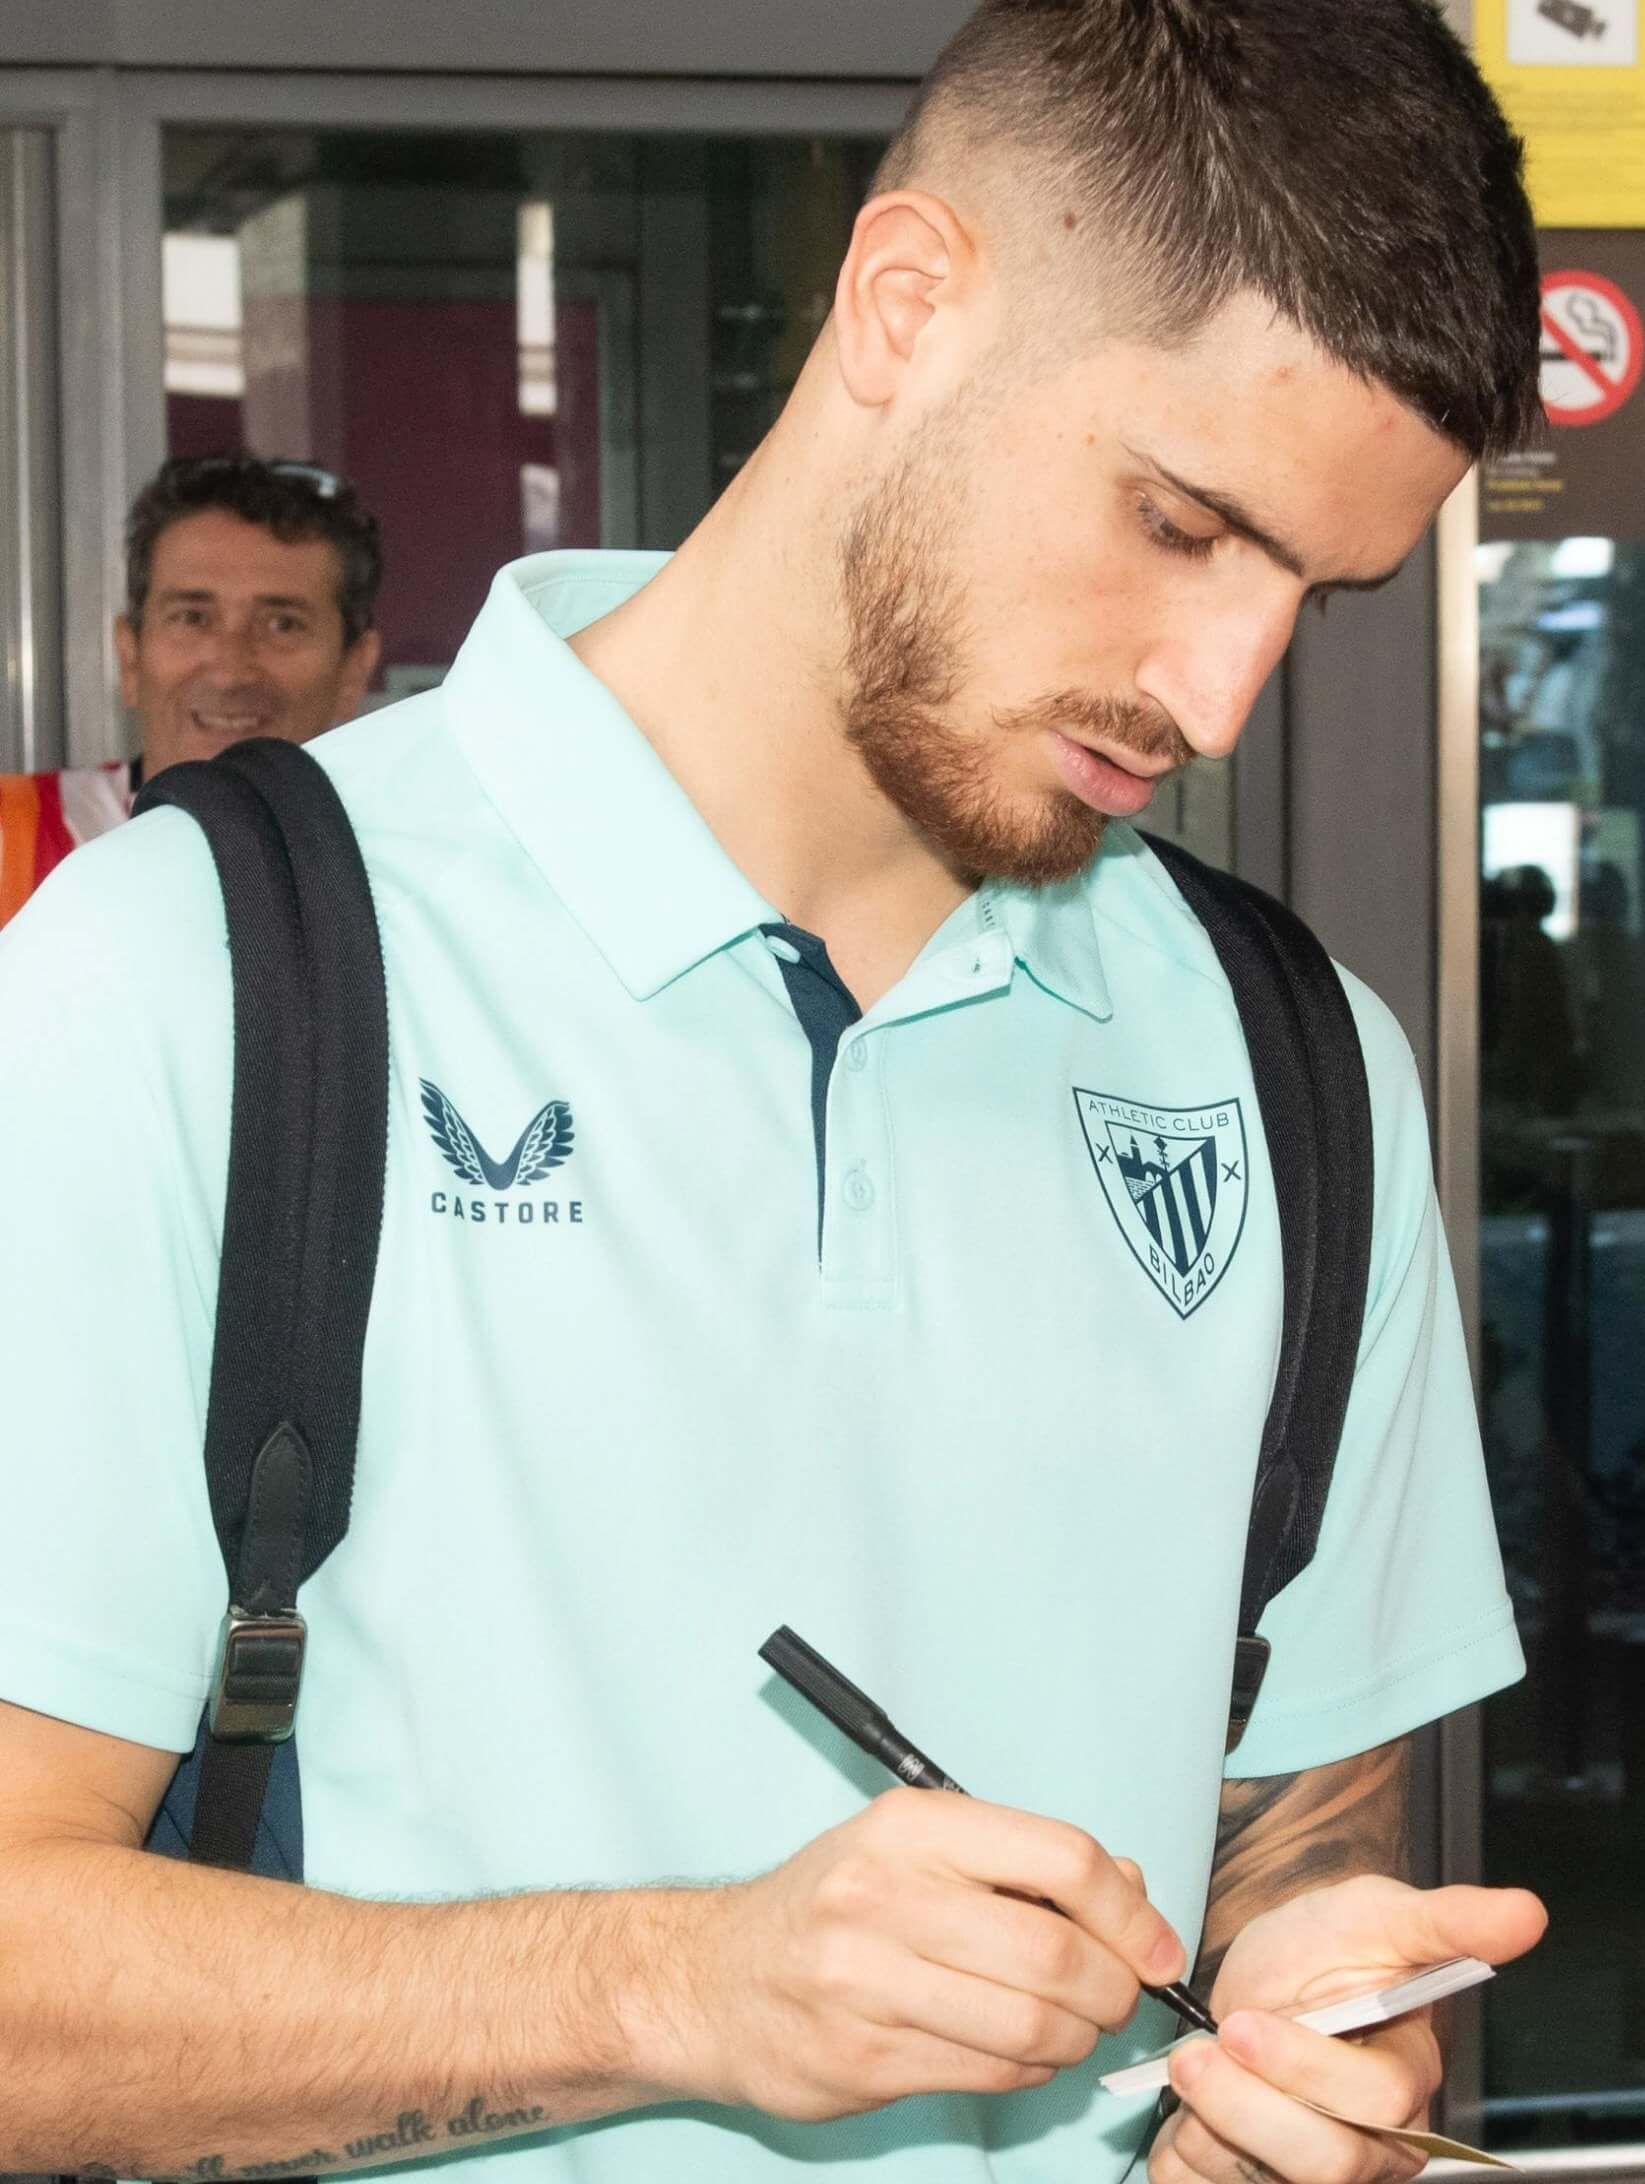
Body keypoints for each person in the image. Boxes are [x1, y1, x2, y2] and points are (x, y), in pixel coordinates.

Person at [0, 4, 1543, 2182]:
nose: (1220, 691)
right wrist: (676, 1991)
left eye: (1314, 588)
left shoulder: (1301, 1065)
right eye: (1184, 523)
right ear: (908, 303)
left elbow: (1303, 1820)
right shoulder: (186, 979)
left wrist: (1308, 2039)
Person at [0, 451, 384, 929]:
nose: (230, 670)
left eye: (283, 624)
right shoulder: (9, 837)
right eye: (192, 618)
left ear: (354, 669)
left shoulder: (413, 874)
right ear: (130, 657)